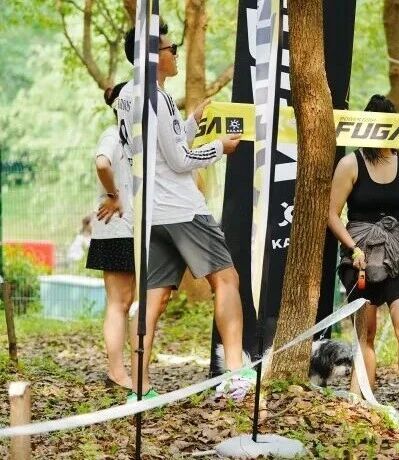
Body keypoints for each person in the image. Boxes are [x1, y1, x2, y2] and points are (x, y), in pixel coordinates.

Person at [115, 24, 247, 402]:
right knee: (227, 280)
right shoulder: (157, 97)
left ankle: (140, 389)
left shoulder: (126, 95)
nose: (176, 54)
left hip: (149, 213)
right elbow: (179, 160)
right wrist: (220, 148)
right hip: (182, 209)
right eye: (172, 48)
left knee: (153, 299)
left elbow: (161, 148)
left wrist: (191, 122)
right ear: (154, 56)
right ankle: (235, 375)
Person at [328, 95, 399, 413]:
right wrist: (352, 247)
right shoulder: (350, 164)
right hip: (360, 253)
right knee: (366, 331)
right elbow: (331, 213)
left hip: (397, 251)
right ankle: (362, 400)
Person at [88, 82, 135, 390]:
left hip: (130, 229)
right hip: (115, 228)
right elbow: (102, 163)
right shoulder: (113, 134)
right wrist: (113, 194)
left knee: (127, 301)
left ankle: (122, 370)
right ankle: (116, 372)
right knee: (118, 303)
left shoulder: (134, 139)